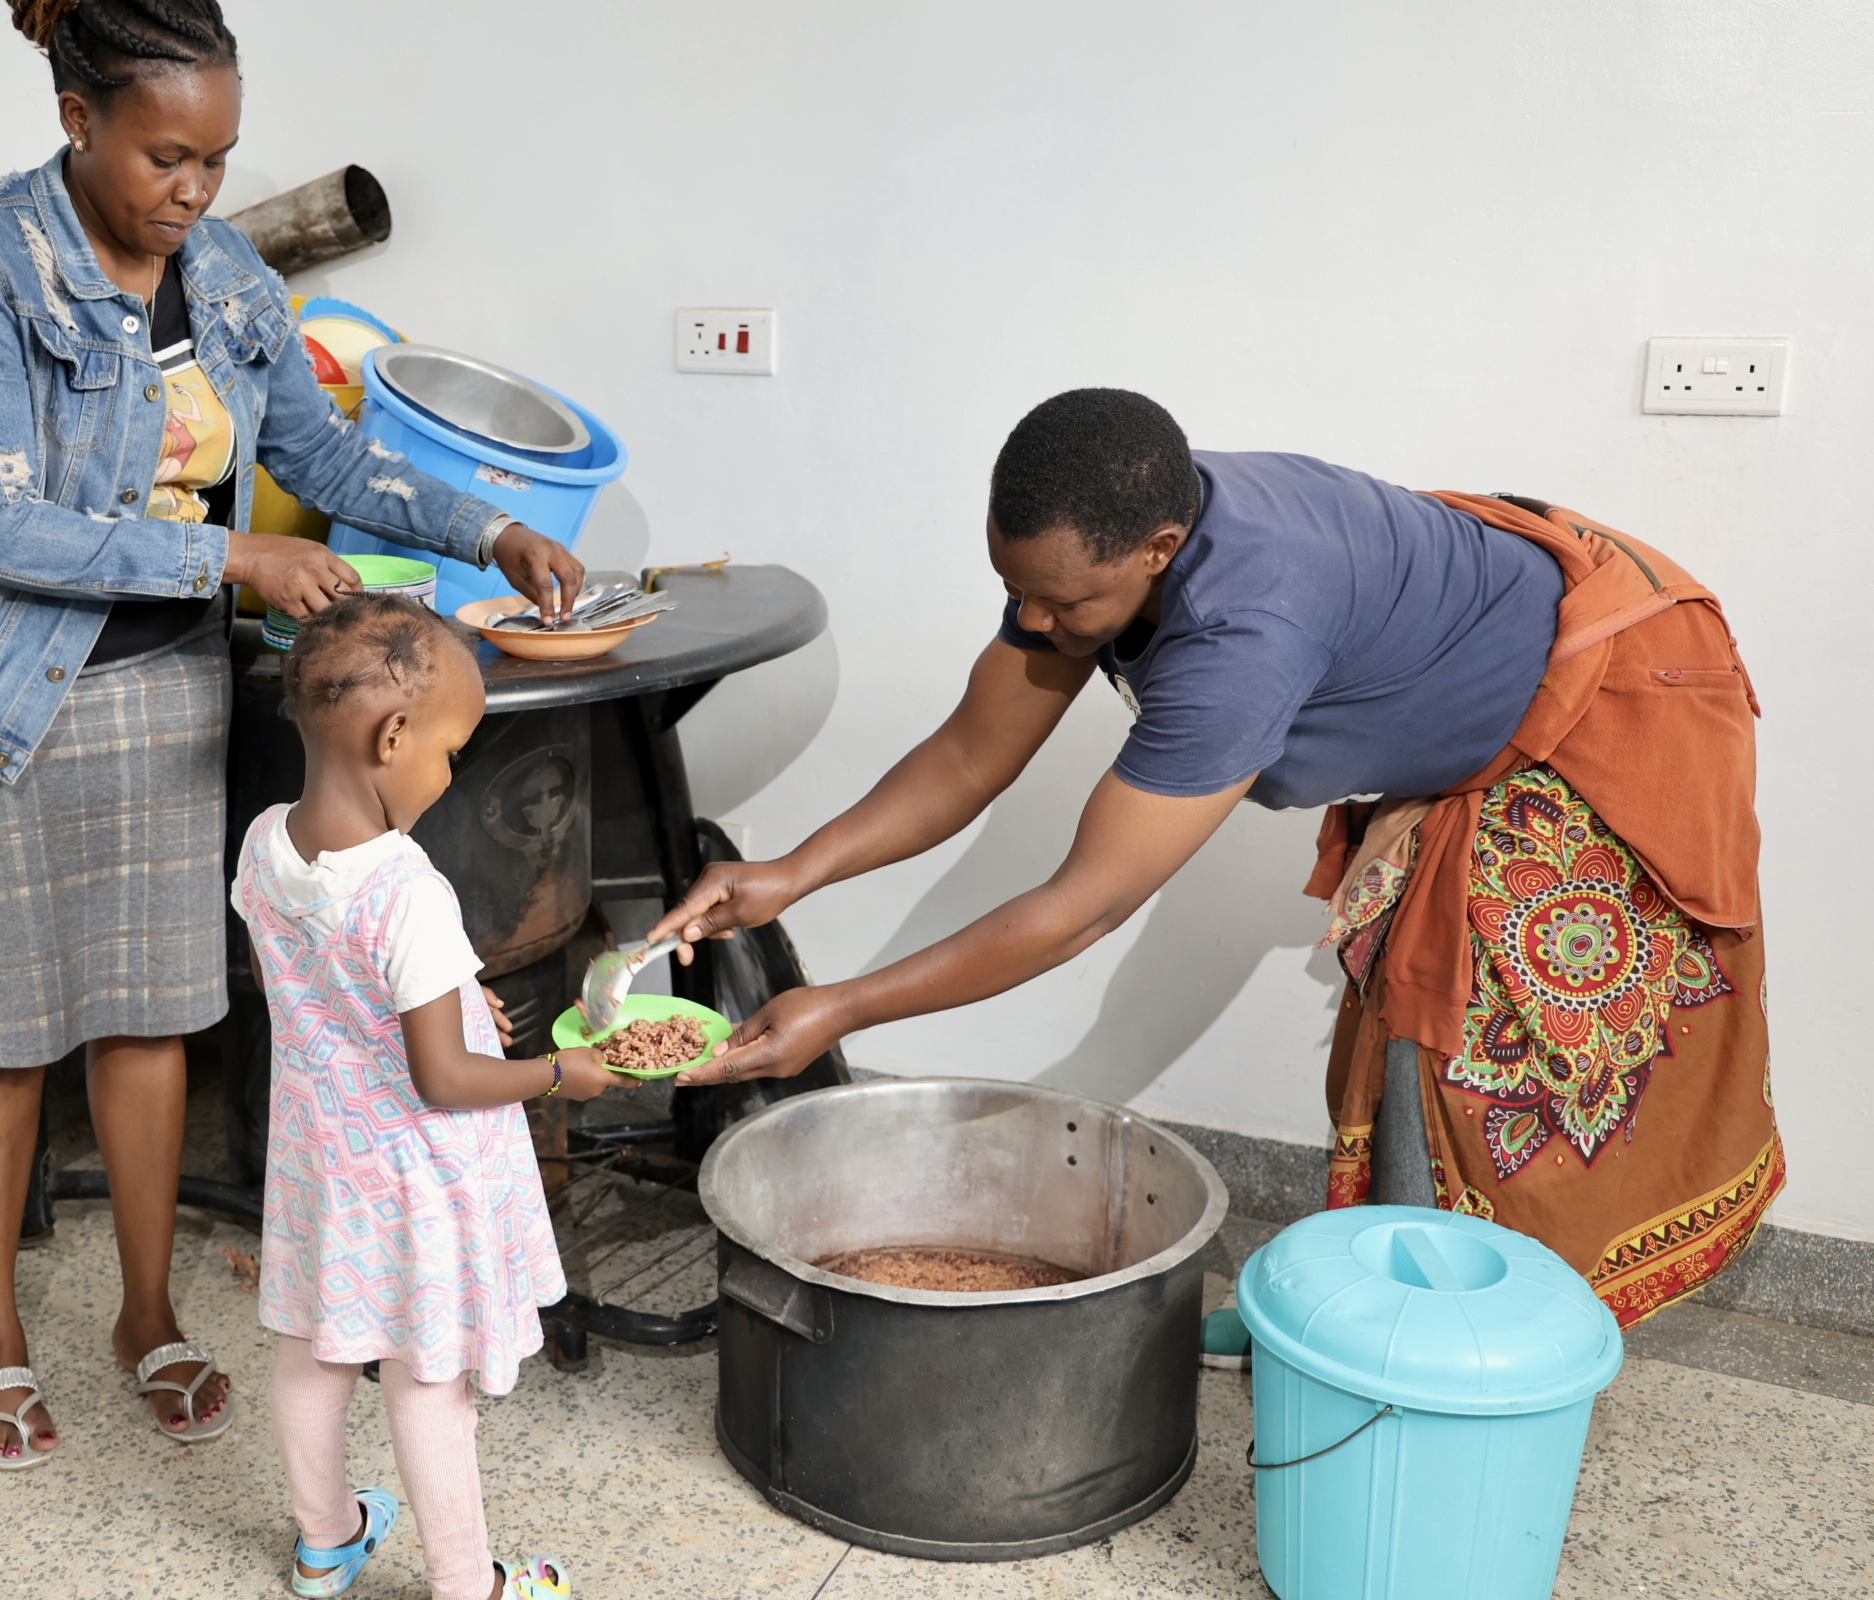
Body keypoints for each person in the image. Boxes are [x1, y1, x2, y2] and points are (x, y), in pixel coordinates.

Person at [657, 387, 1780, 1341]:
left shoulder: (1242, 635)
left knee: (1483, 1054)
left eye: (1068, 601)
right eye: (1020, 591)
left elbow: (1080, 907)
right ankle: (1378, 1309)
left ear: (1157, 549)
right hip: (1493, 650)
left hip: (1609, 693)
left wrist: (837, 1007)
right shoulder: (1099, 539)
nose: (1038, 624)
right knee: (1406, 1025)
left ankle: (1475, 1345)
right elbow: (966, 755)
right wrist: (786, 875)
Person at [0, 0, 585, 1468]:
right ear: (78, 119)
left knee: (152, 1019)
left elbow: (316, 451)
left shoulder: (224, 276)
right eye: (164, 156)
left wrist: (491, 524)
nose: (194, 191)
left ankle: (147, 1313)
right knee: (2, 1041)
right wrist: (229, 562)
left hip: (157, 697)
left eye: (216, 158)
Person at [233, 593, 622, 1600]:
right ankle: (469, 1583)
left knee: (315, 1346)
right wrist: (556, 1075)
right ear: (392, 734)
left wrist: (450, 988)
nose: (450, 776)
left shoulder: (265, 844)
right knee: (427, 1375)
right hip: (417, 1177)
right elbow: (442, 1076)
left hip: (323, 1160)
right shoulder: (406, 886)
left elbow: (331, 973)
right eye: (451, 752)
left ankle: (326, 1543)